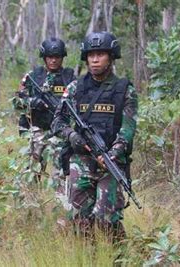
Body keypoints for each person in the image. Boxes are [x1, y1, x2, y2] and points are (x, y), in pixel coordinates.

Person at [51, 32, 138, 241]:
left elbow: (128, 129)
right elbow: (57, 122)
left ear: (111, 57)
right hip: (80, 161)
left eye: (101, 54)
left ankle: (119, 259)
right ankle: (88, 259)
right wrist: (72, 135)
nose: (95, 59)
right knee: (80, 220)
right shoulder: (74, 88)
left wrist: (112, 153)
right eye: (91, 55)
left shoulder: (125, 90)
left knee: (107, 220)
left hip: (111, 163)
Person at [13, 38, 75, 203]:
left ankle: (61, 206)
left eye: (57, 56)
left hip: (60, 132)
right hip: (37, 131)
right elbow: (17, 103)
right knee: (32, 170)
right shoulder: (33, 77)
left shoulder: (70, 77)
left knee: (60, 171)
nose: (53, 60)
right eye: (49, 57)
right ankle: (29, 205)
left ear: (62, 57)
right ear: (44, 57)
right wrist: (32, 102)